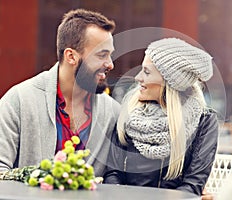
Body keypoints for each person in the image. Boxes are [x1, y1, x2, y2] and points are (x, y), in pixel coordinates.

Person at [0, 9, 120, 177]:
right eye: (102, 55)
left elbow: (115, 175)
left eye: (110, 55)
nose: (110, 64)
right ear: (71, 56)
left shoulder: (113, 113)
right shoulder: (18, 101)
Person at [104, 38, 219, 197]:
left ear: (169, 82)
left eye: (147, 72)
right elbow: (112, 174)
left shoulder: (204, 122)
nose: (138, 78)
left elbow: (192, 185)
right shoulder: (129, 114)